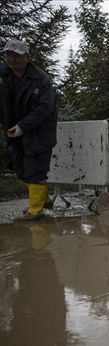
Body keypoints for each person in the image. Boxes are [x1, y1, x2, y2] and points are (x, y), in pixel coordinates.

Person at [0, 39, 57, 221]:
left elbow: (44, 108)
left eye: (15, 56)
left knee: (35, 169)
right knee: (21, 169)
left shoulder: (40, 79)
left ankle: (36, 210)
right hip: (13, 130)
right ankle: (43, 199)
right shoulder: (2, 75)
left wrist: (23, 126)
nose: (11, 59)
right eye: (8, 55)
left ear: (26, 57)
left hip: (39, 132)